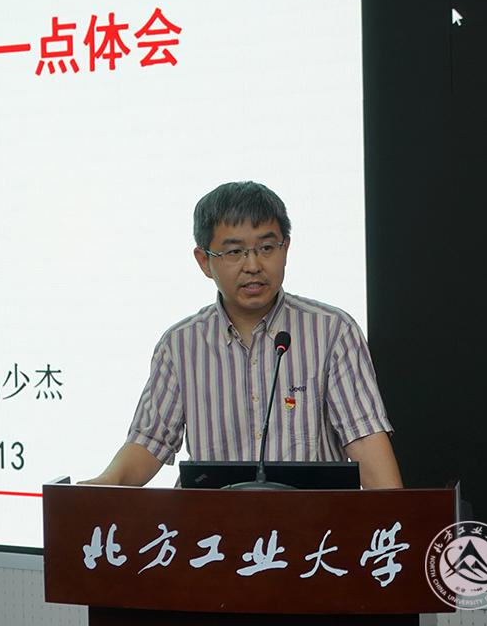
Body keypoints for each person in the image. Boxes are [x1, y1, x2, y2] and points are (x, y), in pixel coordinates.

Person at [81, 181, 402, 489]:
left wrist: (397, 519)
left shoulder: (332, 332)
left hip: (313, 524)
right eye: (234, 252)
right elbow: (148, 443)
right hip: (213, 525)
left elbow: (365, 439)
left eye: (266, 248)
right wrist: (102, 486)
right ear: (204, 261)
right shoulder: (180, 345)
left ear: (286, 249)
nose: (253, 265)